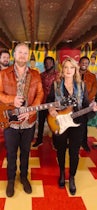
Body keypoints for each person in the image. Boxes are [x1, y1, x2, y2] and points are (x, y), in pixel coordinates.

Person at [47, 57, 97, 195]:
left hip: (78, 123)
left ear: (75, 69)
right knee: (60, 150)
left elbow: (86, 103)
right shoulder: (56, 85)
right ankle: (61, 174)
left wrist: (92, 107)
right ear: (62, 70)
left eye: (71, 67)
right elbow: (49, 101)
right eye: (66, 67)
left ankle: (71, 177)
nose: (68, 70)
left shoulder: (81, 85)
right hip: (60, 122)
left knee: (74, 152)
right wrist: (51, 110)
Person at [0, 43, 44, 197]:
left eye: (25, 53)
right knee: (11, 152)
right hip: (10, 122)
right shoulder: (3, 73)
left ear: (28, 55)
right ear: (14, 54)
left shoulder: (36, 74)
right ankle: (11, 179)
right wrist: (12, 99)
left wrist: (31, 109)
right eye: (20, 52)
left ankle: (23, 176)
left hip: (28, 121)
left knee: (25, 152)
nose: (22, 55)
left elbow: (40, 94)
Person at [33, 56, 59, 147]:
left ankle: (55, 142)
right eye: (46, 63)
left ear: (53, 64)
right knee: (41, 122)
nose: (48, 64)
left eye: (49, 62)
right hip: (43, 103)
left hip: (54, 104)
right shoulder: (41, 75)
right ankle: (39, 140)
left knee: (54, 123)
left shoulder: (58, 75)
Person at [79, 56, 97, 152]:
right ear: (79, 63)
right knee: (73, 123)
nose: (84, 64)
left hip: (86, 104)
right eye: (83, 62)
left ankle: (84, 142)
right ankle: (74, 142)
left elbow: (94, 90)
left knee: (84, 124)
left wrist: (87, 100)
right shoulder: (74, 74)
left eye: (86, 63)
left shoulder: (92, 76)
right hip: (74, 104)